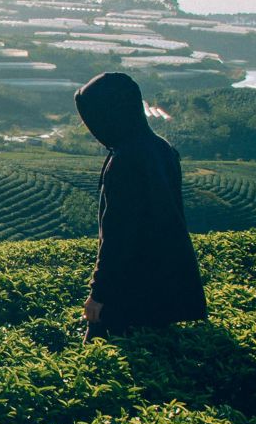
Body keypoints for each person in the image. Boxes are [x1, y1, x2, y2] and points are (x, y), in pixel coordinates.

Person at [74, 72, 207, 339]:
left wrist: (98, 295)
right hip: (164, 288)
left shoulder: (125, 161)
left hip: (129, 292)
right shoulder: (161, 149)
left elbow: (118, 235)